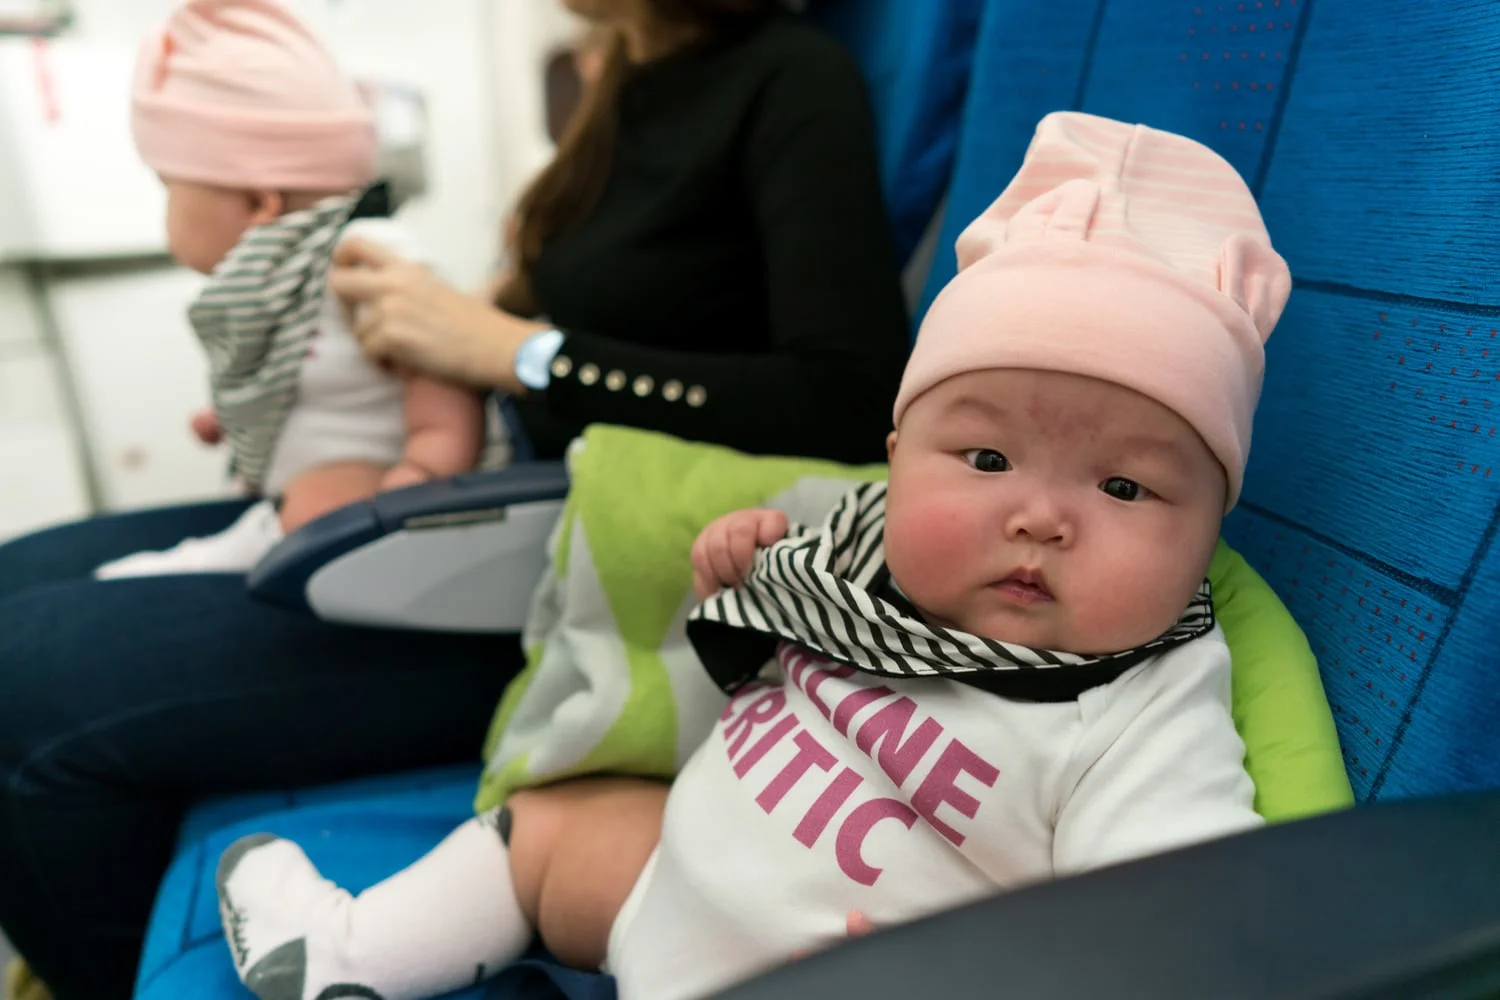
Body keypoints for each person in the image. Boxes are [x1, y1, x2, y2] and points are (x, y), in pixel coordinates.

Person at [212, 112, 1291, 1000]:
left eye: (1124, 486)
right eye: (988, 454)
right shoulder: (862, 556)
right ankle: (348, 955)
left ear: (1209, 533)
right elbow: (761, 670)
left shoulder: (1147, 703)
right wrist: (738, 583)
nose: (1043, 517)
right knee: (546, 831)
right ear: (896, 461)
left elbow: (1173, 931)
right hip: (661, 886)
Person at [0, 0, 910, 995]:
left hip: (570, 564)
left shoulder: (791, 78)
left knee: (20, 681)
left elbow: (849, 401)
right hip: (495, 479)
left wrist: (520, 351)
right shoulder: (622, 77)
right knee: (21, 572)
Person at [93, 0, 485, 580]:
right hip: (307, 481)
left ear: (257, 203)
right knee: (302, 494)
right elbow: (303, 377)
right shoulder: (279, 277)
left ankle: (264, 552)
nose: (166, 215)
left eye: (168, 188)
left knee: (321, 498)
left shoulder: (364, 258)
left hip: (378, 494)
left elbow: (446, 365)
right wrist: (236, 414)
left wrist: (426, 469)